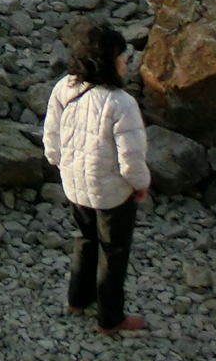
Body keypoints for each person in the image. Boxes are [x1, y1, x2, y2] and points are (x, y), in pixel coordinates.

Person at [40, 19, 150, 335]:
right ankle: (110, 317)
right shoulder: (121, 103)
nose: (127, 60)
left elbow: (52, 134)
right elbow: (130, 157)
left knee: (86, 239)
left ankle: (77, 298)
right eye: (122, 56)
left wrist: (57, 162)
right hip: (112, 191)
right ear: (108, 62)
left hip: (75, 183)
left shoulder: (65, 87)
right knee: (113, 252)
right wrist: (139, 185)